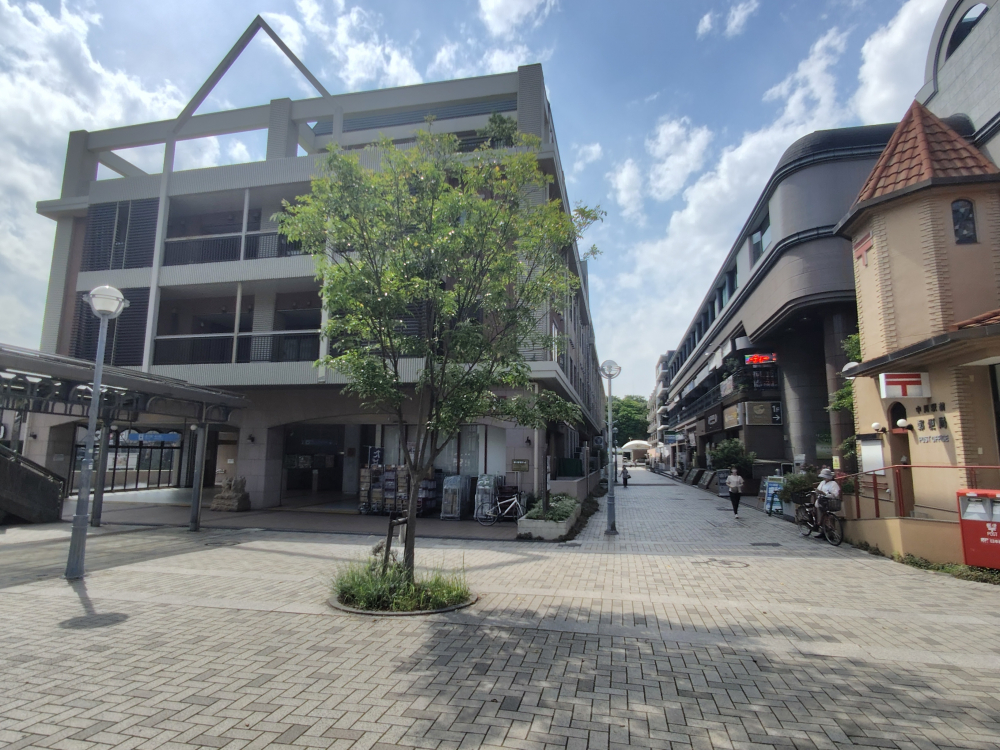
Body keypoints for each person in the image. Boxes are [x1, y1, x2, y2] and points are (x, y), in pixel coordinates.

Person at [815, 468, 841, 535]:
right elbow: (818, 490)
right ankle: (822, 530)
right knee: (820, 514)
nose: (824, 478)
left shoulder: (833, 483)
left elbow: (835, 494)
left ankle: (830, 532)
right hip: (821, 501)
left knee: (829, 517)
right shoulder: (822, 482)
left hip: (829, 502)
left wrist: (825, 494)